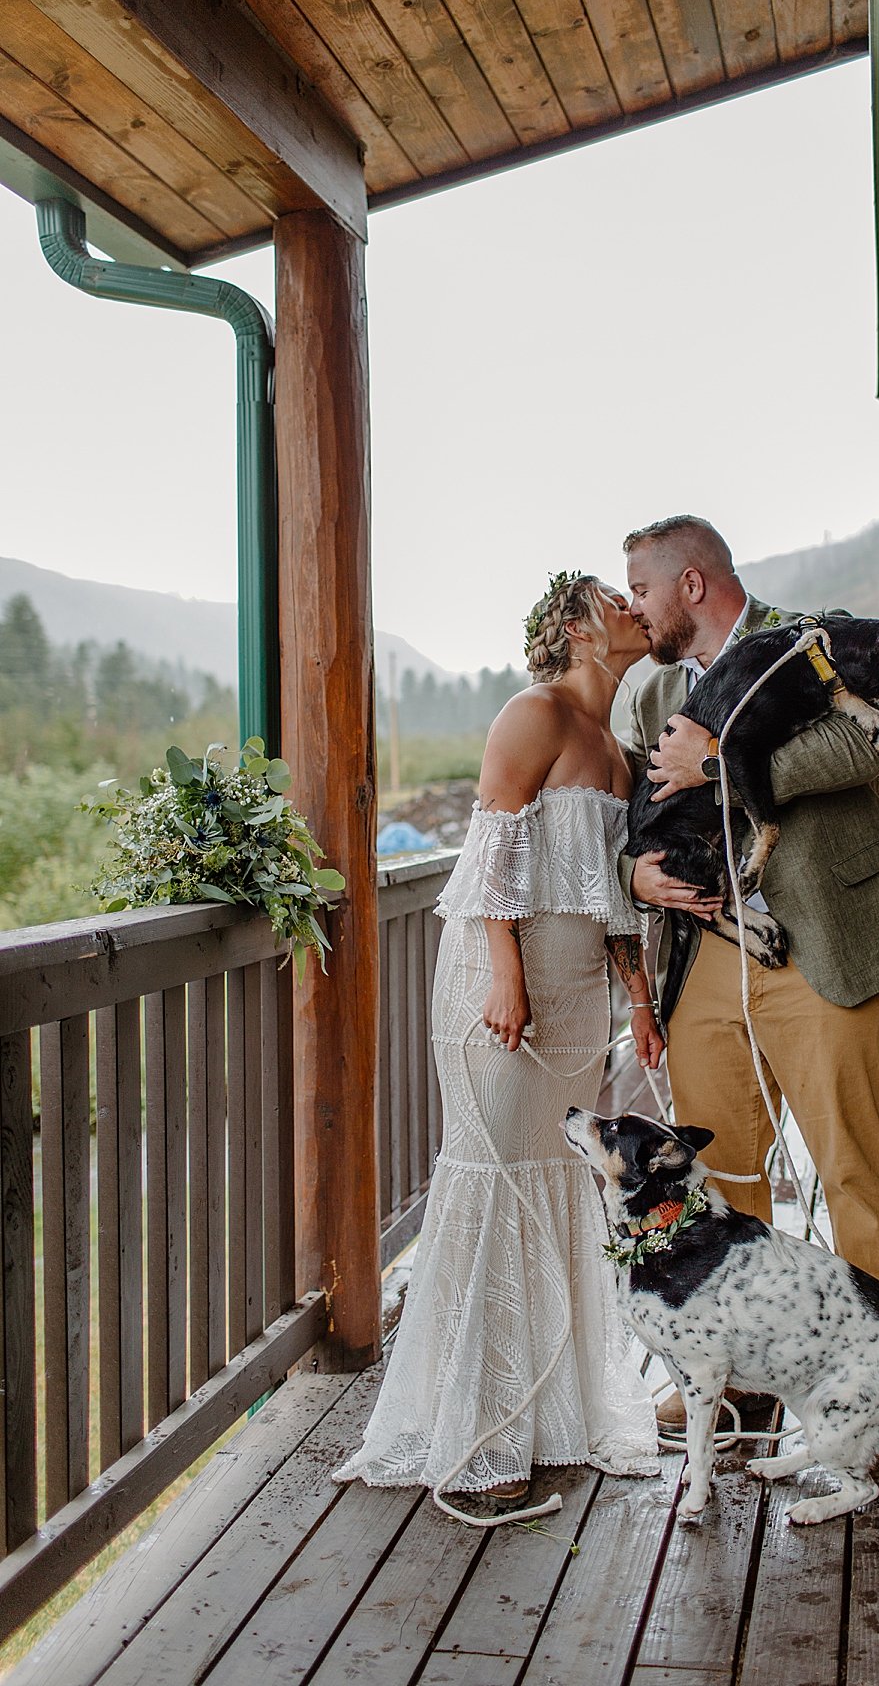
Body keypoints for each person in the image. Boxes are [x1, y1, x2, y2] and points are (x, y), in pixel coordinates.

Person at [621, 516, 879, 1489]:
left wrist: (723, 762)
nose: (634, 611)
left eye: (639, 591)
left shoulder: (816, 639)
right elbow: (637, 812)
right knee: (717, 1186)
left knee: (855, 1177)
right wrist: (635, 878)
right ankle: (737, 1380)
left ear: (690, 585)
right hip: (706, 961)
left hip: (826, 948)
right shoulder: (655, 693)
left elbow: (862, 745)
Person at [335, 571, 662, 1514]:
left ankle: (552, 1412)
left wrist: (636, 998)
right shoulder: (536, 714)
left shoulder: (618, 748)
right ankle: (479, 1429)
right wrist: (505, 978)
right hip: (503, 985)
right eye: (611, 596)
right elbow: (491, 857)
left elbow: (612, 900)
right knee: (498, 1174)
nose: (632, 606)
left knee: (559, 1179)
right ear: (572, 625)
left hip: (580, 996)